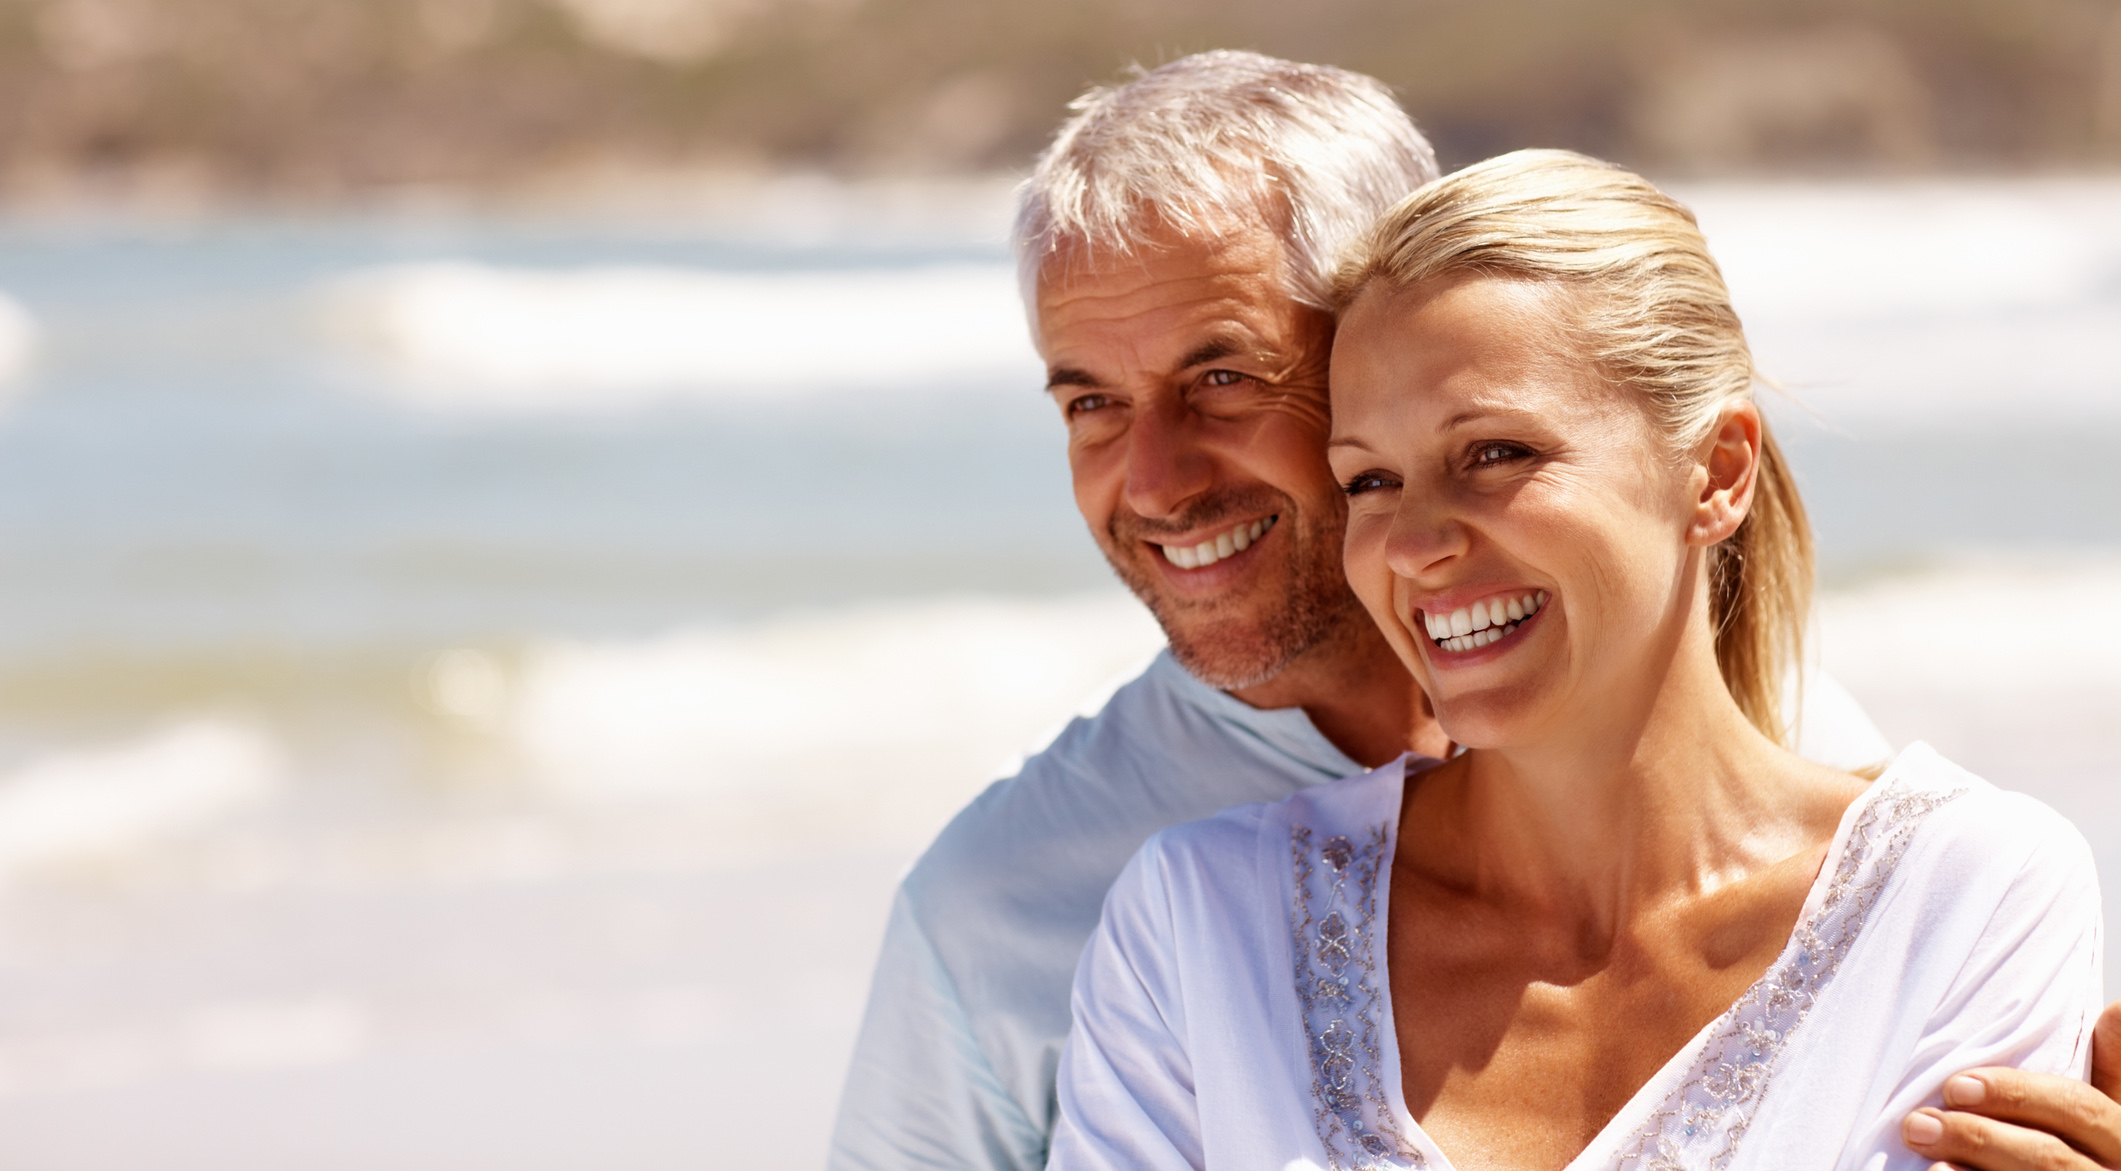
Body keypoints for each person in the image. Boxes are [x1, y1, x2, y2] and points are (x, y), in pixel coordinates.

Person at [827, 52, 2121, 1171]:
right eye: (1088, 402)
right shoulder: (1039, 908)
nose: (1153, 478)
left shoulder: (1871, 810)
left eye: (1221, 377)